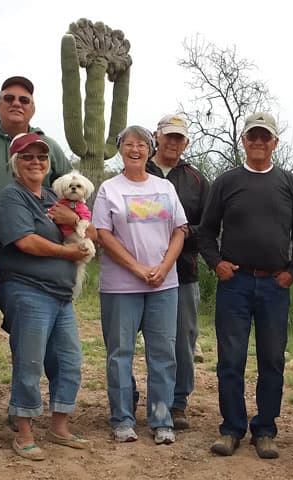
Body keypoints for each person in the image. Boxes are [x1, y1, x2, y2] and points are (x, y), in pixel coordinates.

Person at [199, 112, 293, 460]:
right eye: (253, 137)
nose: (259, 142)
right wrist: (216, 262)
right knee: (230, 359)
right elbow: (205, 231)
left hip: (274, 286)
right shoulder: (227, 182)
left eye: (266, 137)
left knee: (272, 360)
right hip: (235, 284)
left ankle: (265, 430)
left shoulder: (288, 183)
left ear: (275, 143)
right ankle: (231, 429)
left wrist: (292, 272)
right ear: (244, 141)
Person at [0, 76, 72, 429]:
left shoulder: (48, 145)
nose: (16, 104)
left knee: (26, 334)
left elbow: (66, 188)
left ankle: (19, 409)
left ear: (33, 107)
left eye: (24, 99)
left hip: (29, 259)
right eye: (9, 98)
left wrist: (71, 216)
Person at [0, 133, 94, 460]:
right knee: (30, 360)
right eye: (27, 157)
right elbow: (25, 241)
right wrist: (67, 255)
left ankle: (59, 426)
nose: (36, 162)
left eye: (41, 157)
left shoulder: (54, 196)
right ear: (15, 163)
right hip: (28, 290)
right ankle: (24, 431)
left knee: (68, 360)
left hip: (61, 294)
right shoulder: (13, 197)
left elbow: (89, 233)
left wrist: (77, 220)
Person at [92, 125, 187, 445]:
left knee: (163, 353)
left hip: (163, 285)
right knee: (120, 353)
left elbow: (180, 230)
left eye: (142, 145)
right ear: (120, 149)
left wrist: (164, 267)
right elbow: (103, 234)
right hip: (121, 287)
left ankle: (161, 419)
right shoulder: (110, 189)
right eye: (129, 144)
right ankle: (122, 418)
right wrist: (136, 268)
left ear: (151, 149)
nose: (136, 150)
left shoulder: (165, 188)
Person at [146, 114, 210, 429]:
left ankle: (178, 401)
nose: (173, 143)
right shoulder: (138, 170)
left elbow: (209, 225)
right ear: (156, 136)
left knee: (183, 338)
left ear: (186, 142)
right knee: (134, 338)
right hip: (137, 271)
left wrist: (181, 234)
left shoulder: (196, 180)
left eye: (179, 138)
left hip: (183, 272)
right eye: (168, 136)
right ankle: (134, 397)